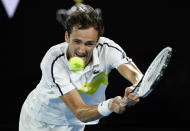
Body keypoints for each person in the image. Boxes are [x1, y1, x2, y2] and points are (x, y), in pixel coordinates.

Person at [19, 3, 143, 131]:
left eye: (89, 44)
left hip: (75, 123)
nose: (82, 50)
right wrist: (110, 105)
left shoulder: (108, 49)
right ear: (67, 36)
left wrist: (136, 88)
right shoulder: (54, 60)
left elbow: (137, 76)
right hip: (39, 122)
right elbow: (79, 112)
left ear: (98, 40)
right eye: (77, 42)